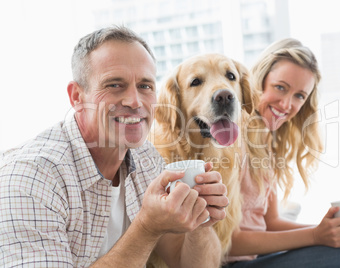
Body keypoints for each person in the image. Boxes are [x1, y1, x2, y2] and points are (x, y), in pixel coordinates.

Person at [0, 26, 229, 268]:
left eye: (145, 86)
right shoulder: (29, 179)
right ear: (77, 97)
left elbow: (190, 264)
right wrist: (146, 227)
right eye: (114, 85)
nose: (134, 101)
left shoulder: (145, 158)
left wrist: (200, 220)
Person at [223, 38, 340, 267]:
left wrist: (331, 231)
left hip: (256, 258)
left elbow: (272, 222)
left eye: (299, 96)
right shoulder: (230, 138)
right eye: (280, 87)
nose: (286, 105)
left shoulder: (266, 144)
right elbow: (226, 241)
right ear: (259, 80)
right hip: (230, 262)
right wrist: (315, 236)